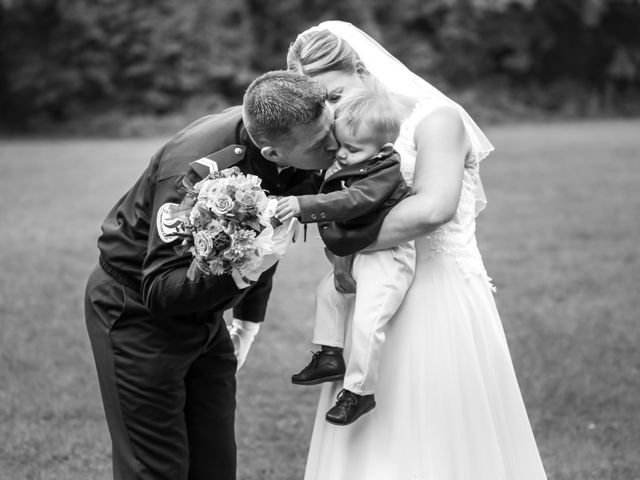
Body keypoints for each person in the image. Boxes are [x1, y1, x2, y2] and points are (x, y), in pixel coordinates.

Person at [287, 21, 548, 479]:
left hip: (437, 296)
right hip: (370, 291)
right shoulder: (348, 134)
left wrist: (340, 236)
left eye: (334, 95)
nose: (329, 112)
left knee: (440, 433)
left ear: (363, 70)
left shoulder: (437, 118)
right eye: (320, 104)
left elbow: (432, 209)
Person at [84, 70, 337, 480]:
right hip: (135, 314)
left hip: (207, 309)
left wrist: (247, 324)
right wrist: (248, 268)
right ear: (271, 153)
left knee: (216, 463)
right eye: (322, 142)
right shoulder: (196, 173)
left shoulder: (289, 129)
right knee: (156, 468)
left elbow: (266, 237)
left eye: (331, 128)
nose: (335, 144)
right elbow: (160, 290)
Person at [276, 80, 415, 426]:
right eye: (340, 145)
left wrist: (304, 206)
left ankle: (359, 392)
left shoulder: (385, 169)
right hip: (360, 252)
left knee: (369, 321)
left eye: (352, 150)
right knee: (328, 292)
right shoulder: (359, 158)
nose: (340, 155)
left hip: (388, 257)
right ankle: (329, 354)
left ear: (383, 147)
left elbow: (353, 201)